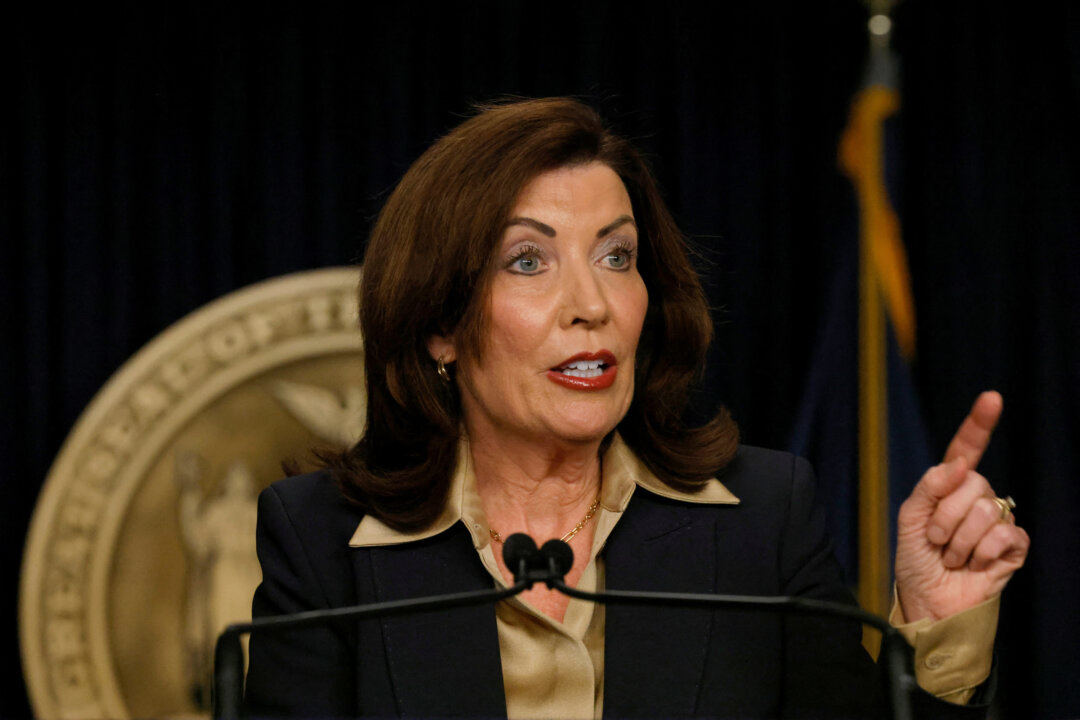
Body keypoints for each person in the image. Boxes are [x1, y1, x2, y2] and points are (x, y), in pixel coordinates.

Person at [245, 98, 1029, 718]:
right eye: (528, 261)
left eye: (617, 256)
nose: (592, 304)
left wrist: (937, 626)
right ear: (440, 325)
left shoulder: (762, 520)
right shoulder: (322, 545)